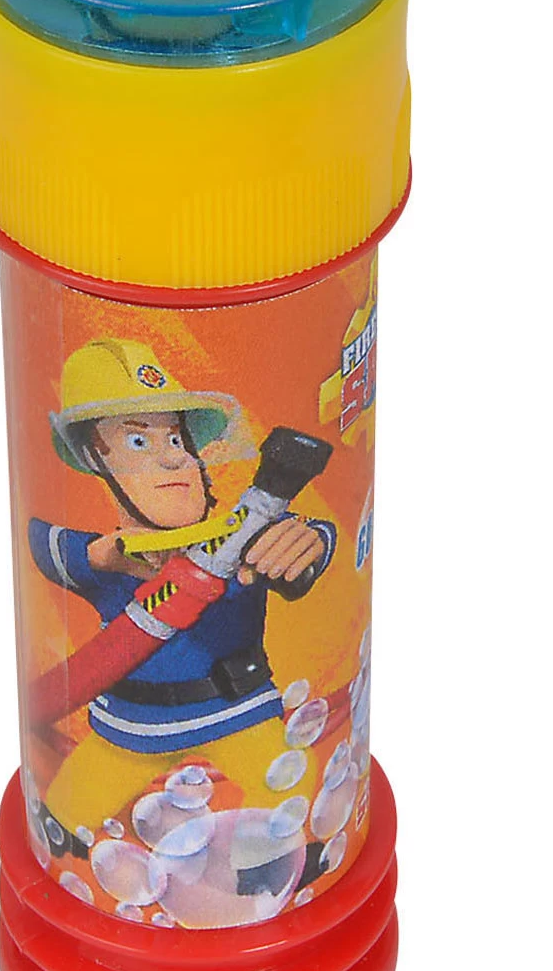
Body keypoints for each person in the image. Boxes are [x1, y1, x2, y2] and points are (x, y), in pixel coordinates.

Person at [29, 338, 334, 848]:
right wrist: (101, 556)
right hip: (128, 728)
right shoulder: (108, 557)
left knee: (303, 822)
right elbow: (40, 541)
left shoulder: (243, 539)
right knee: (60, 824)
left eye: (176, 440)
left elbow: (308, 540)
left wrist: (308, 542)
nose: (173, 461)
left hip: (239, 714)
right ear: (93, 457)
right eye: (138, 442)